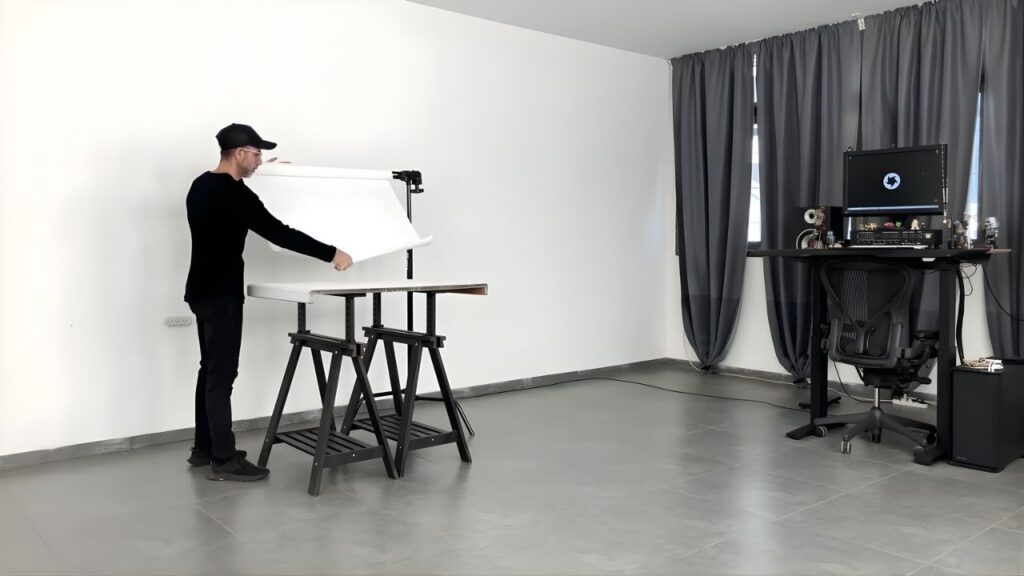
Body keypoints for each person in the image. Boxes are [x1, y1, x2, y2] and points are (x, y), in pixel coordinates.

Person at [184, 123, 353, 481]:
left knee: (209, 369)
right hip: (222, 294)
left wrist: (260, 174)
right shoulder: (235, 195)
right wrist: (331, 253)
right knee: (222, 375)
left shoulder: (201, 185)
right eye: (257, 154)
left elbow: (228, 208)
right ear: (240, 153)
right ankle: (224, 460)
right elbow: (278, 232)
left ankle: (205, 448)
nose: (260, 160)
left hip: (200, 290)